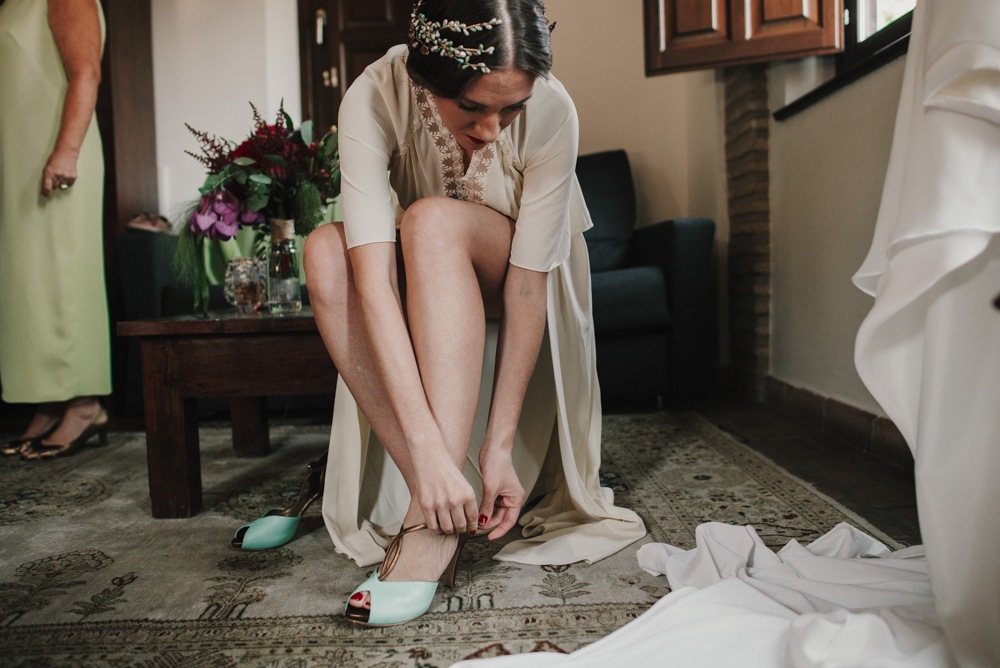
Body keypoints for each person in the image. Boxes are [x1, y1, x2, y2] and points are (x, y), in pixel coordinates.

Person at [303, 0, 645, 626]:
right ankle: (433, 501)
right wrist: (429, 457)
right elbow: (373, 282)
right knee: (325, 251)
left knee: (431, 221)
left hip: (514, 270)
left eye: (510, 107)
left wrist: (497, 449)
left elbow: (525, 287)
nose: (494, 127)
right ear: (427, 81)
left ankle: (427, 533)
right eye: (474, 108)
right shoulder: (373, 95)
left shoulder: (553, 110)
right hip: (418, 274)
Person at [0, 0, 110, 461]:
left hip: (59, 155)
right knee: (33, 284)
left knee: (60, 279)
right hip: (23, 158)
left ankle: (85, 406)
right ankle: (53, 400)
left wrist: (66, 151)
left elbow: (86, 71)